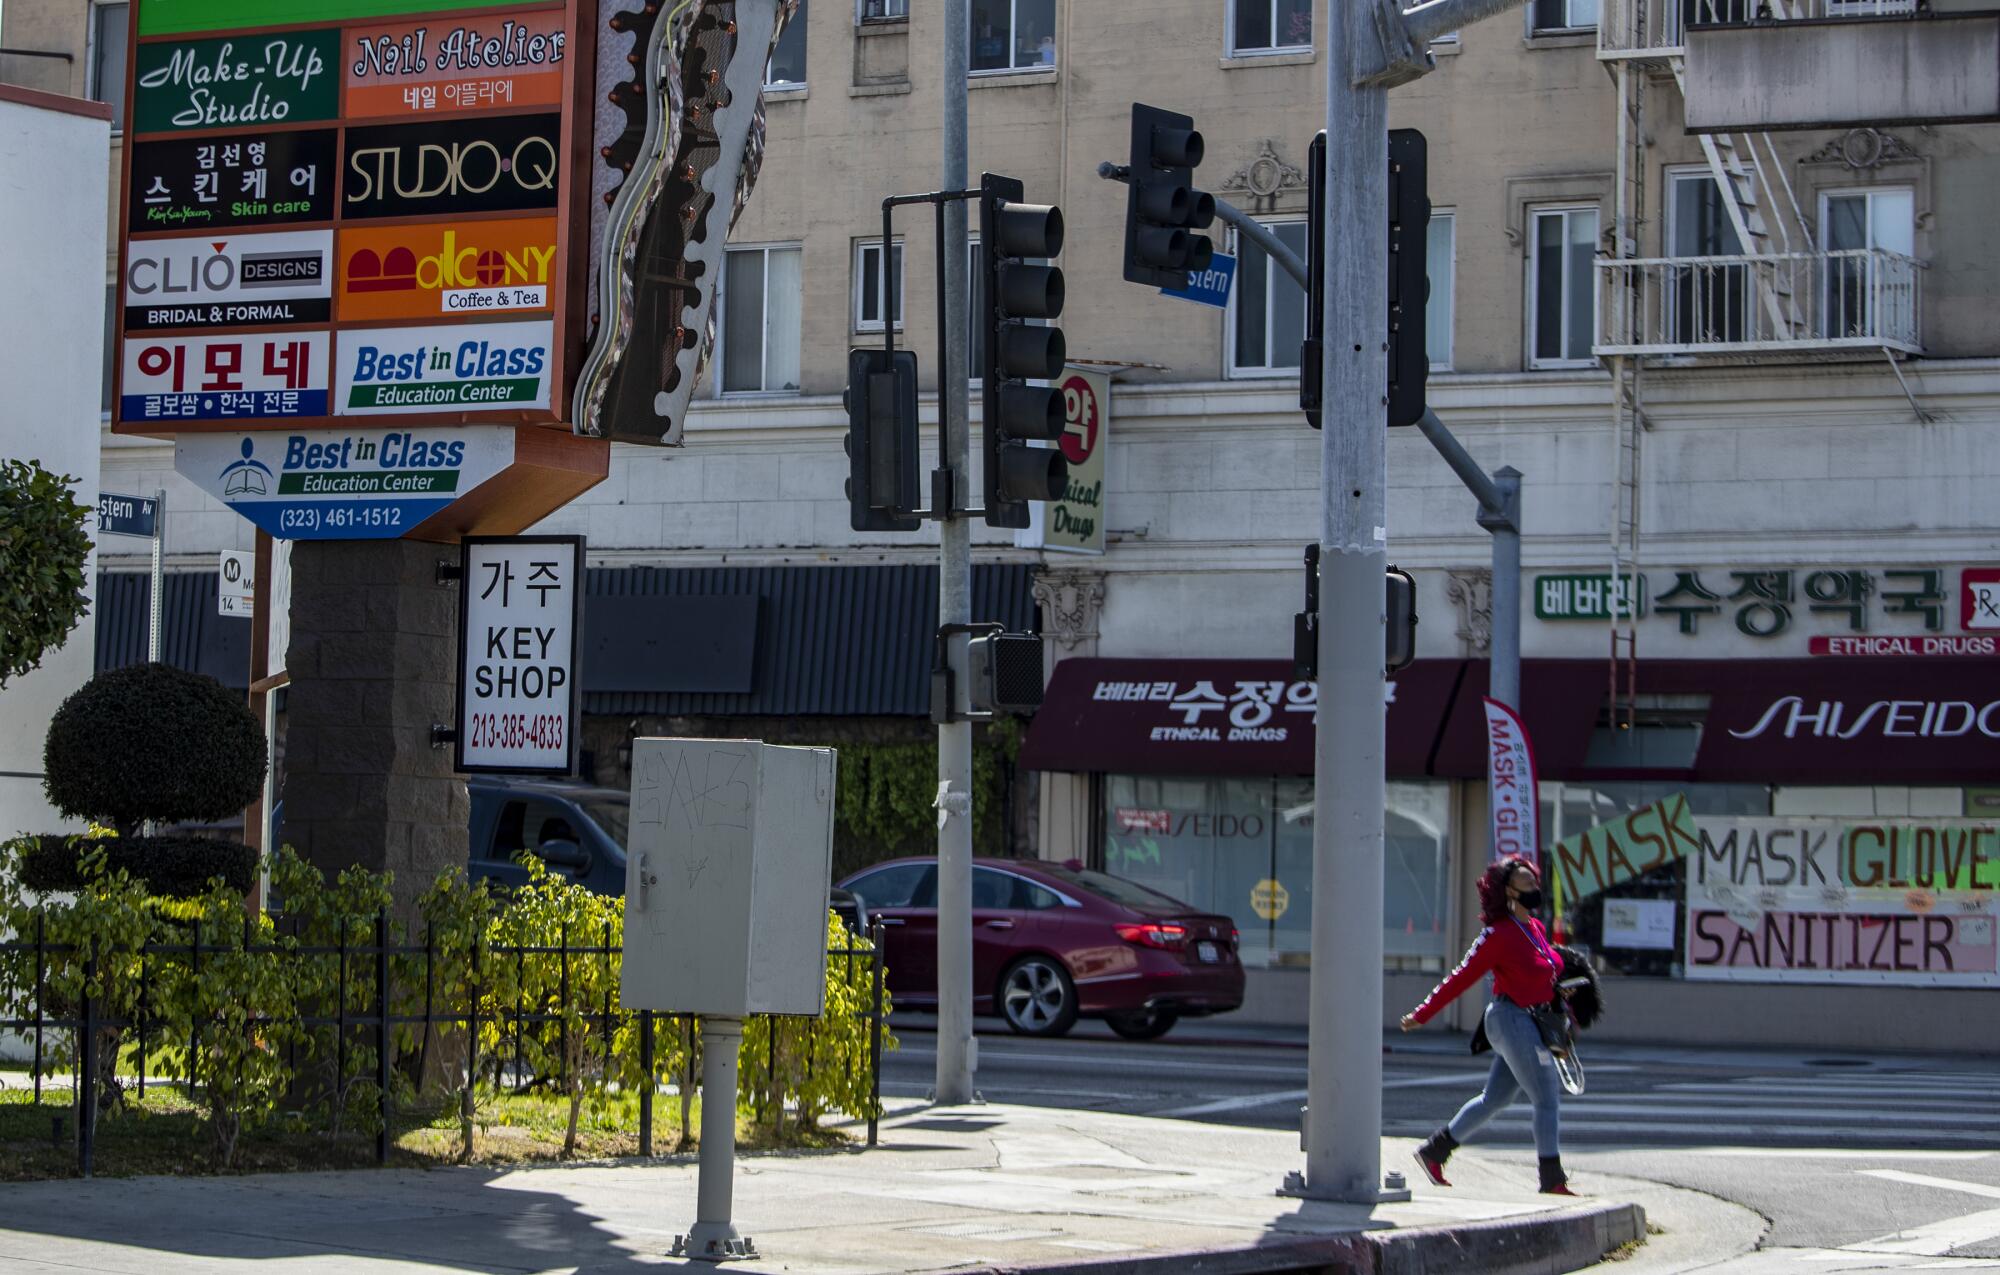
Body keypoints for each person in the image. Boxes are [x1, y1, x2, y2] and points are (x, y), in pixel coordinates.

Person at [1399, 856, 1575, 1196]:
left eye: (1535, 881)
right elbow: (1460, 977)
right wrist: (1423, 1013)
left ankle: (1435, 1151)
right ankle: (1552, 1179)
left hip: (1532, 1021)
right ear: (1507, 890)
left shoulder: (1535, 928)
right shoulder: (1497, 934)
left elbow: (1545, 972)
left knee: (1494, 1099)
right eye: (1527, 883)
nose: (1534, 887)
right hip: (1510, 1020)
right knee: (1547, 1097)